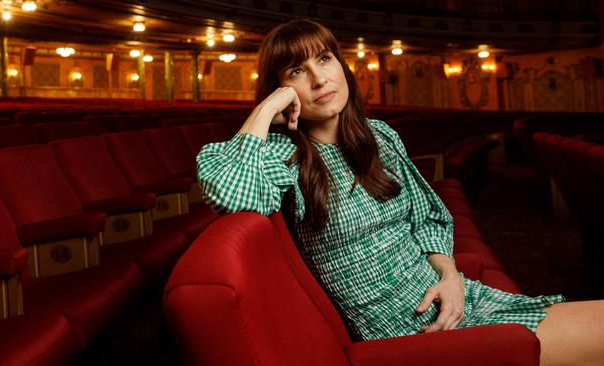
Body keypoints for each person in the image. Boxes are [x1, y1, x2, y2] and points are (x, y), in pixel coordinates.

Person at [197, 19, 604, 365]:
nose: (320, 78)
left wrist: (450, 275)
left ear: (341, 65)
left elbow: (426, 216)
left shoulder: (380, 137)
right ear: (280, 89)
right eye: (296, 72)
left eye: (324, 59)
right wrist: (266, 109)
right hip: (412, 328)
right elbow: (229, 192)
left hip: (449, 295)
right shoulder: (284, 156)